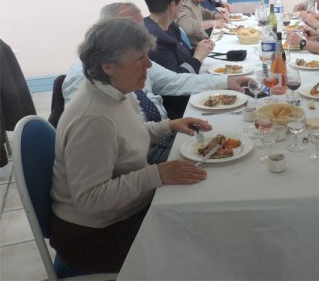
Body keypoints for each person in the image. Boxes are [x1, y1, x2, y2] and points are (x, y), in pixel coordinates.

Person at [50, 19, 209, 273]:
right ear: (108, 66)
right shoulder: (93, 119)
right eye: (139, 59)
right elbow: (90, 199)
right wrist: (156, 174)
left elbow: (125, 137)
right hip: (96, 235)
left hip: (121, 213)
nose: (148, 65)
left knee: (199, 203)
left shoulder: (113, 91)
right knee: (199, 240)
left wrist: (169, 125)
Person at [62, 2, 250, 163]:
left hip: (156, 138)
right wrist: (157, 174)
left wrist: (226, 81)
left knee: (235, 134)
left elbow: (176, 81)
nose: (149, 62)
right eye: (132, 33)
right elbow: (94, 193)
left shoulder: (127, 68)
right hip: (144, 157)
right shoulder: (90, 104)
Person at [142, 0, 215, 119]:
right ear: (172, 5)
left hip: (190, 89)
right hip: (180, 107)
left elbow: (183, 54)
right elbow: (176, 82)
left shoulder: (170, 26)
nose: (182, 5)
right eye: (181, 1)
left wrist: (199, 49)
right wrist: (198, 57)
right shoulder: (155, 39)